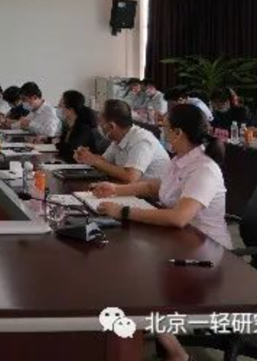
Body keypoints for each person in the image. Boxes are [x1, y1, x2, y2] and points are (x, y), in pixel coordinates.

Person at [92, 103, 231, 361]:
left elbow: (179, 217)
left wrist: (123, 211)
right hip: (181, 241)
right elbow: (154, 187)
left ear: (178, 132)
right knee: (124, 265)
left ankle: (177, 354)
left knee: (136, 277)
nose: (162, 132)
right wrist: (115, 189)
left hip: (207, 253)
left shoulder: (204, 169)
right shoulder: (180, 160)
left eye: (165, 128)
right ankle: (142, 330)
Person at [75, 99, 170, 183]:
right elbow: (104, 161)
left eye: (100, 122)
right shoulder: (119, 139)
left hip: (152, 196)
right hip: (130, 190)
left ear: (111, 126)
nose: (99, 126)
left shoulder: (142, 140)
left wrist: (95, 161)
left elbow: (131, 177)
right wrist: (86, 157)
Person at [55, 90, 101, 160]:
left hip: (83, 165)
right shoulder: (68, 126)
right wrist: (49, 140)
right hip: (69, 162)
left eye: (61, 105)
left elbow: (71, 150)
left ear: (71, 109)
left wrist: (56, 143)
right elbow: (61, 143)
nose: (58, 106)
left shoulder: (83, 128)